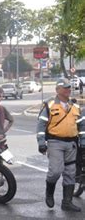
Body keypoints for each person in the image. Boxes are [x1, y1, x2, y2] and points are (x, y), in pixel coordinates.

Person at [36, 78, 84, 212]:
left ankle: (66, 202)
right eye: (66, 87)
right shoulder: (49, 104)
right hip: (55, 142)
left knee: (70, 173)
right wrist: (41, 142)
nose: (69, 90)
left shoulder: (75, 106)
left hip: (72, 144)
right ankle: (49, 192)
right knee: (55, 171)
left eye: (69, 87)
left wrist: (83, 141)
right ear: (58, 90)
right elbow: (41, 125)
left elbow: (81, 125)